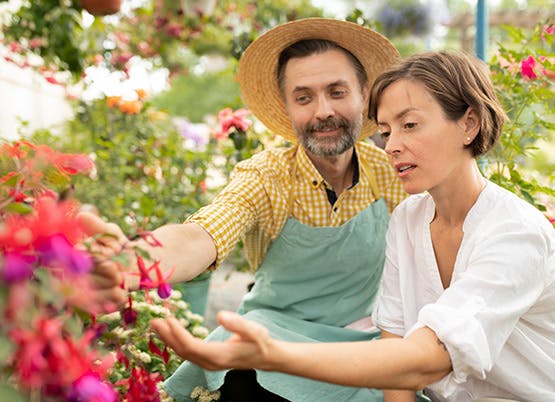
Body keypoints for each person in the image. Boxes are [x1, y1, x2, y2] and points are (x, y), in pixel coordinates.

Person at [151, 51, 555, 402]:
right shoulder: (409, 216)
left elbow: (424, 358)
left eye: (409, 125)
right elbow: (204, 232)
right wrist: (141, 259)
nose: (392, 144)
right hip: (311, 347)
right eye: (386, 131)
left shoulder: (512, 231)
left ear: (469, 124)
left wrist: (271, 355)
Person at [79, 18, 405, 401]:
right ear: (286, 107)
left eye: (337, 92)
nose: (322, 111)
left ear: (364, 95)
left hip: (357, 343)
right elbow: (202, 234)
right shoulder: (266, 176)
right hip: (268, 339)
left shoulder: (392, 172)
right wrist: (135, 262)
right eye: (303, 98)